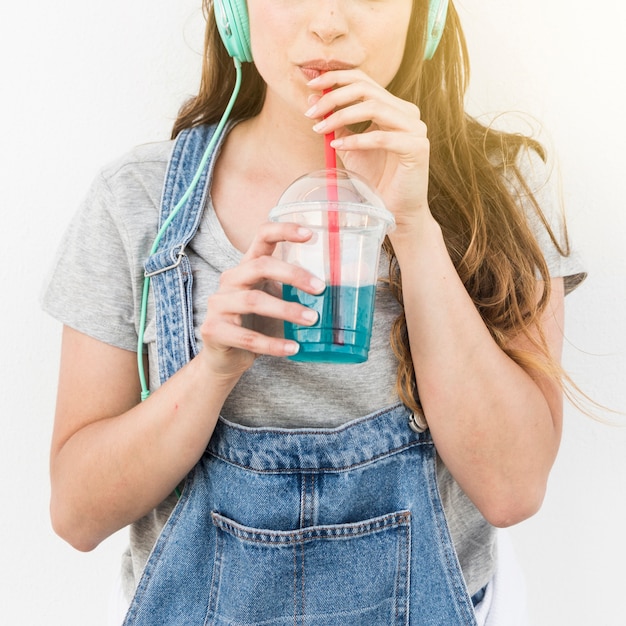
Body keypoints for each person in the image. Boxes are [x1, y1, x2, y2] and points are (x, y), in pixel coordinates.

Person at [42, 0, 586, 624]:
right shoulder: (136, 203)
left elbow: (512, 488)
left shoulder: (504, 189)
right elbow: (77, 515)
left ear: (426, 16)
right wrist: (212, 371)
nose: (328, 21)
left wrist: (412, 224)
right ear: (235, 13)